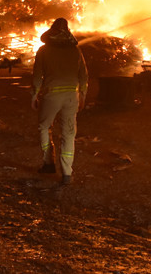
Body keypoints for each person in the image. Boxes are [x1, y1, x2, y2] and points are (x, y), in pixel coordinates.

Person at [31, 18, 88, 186]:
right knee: (68, 134)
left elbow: (37, 76)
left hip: (51, 96)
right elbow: (83, 75)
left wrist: (33, 95)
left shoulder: (43, 50)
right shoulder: (75, 50)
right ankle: (67, 173)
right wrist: (83, 95)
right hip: (72, 96)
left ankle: (48, 163)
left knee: (44, 127)